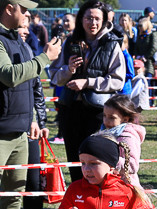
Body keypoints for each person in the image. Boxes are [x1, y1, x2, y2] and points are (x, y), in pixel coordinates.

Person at [0, 0, 62, 209]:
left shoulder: (19, 41)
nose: (28, 14)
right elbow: (8, 75)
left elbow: (31, 82)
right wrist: (45, 58)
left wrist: (35, 118)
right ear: (10, 7)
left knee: (15, 190)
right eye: (24, 9)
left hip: (20, 131)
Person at [52, 0, 126, 184]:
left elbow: (118, 79)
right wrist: (68, 70)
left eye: (96, 19)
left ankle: (94, 198)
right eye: (88, 18)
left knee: (94, 157)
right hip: (70, 107)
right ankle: (78, 196)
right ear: (81, 19)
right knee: (73, 156)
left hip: (97, 111)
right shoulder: (70, 41)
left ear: (104, 21)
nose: (92, 23)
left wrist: (88, 82)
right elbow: (54, 75)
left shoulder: (111, 44)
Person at [100, 94, 145, 188]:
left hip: (125, 186)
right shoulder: (105, 132)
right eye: (104, 116)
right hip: (109, 183)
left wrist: (108, 160)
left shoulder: (127, 136)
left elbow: (132, 166)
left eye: (112, 117)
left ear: (125, 119)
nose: (106, 121)